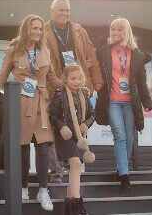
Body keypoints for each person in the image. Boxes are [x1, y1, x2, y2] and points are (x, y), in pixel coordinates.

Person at [0, 14, 64, 212]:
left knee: (43, 145)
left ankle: (44, 190)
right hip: (21, 103)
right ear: (26, 29)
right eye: (34, 28)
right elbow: (0, 80)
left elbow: (53, 79)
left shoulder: (45, 51)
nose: (38, 32)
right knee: (23, 146)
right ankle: (23, 187)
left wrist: (71, 84)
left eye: (40, 29)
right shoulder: (14, 50)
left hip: (41, 102)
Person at [43, 0, 103, 184]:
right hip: (56, 87)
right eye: (61, 10)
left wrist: (97, 82)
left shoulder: (78, 31)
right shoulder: (44, 32)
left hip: (78, 86)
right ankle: (56, 171)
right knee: (56, 128)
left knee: (79, 124)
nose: (65, 14)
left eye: (67, 10)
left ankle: (74, 167)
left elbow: (90, 56)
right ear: (52, 12)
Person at [95, 18, 152, 189]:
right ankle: (125, 175)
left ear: (126, 32)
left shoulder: (136, 54)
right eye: (113, 30)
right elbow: (94, 66)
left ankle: (121, 168)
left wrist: (146, 101)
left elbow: (142, 81)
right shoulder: (104, 51)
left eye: (119, 30)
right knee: (119, 136)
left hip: (130, 102)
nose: (115, 33)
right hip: (112, 101)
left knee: (129, 139)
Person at [49, 64, 95, 215]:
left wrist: (86, 124)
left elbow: (92, 115)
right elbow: (53, 115)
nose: (76, 81)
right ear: (65, 79)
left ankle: (70, 209)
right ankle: (76, 207)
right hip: (65, 136)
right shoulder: (59, 94)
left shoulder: (84, 94)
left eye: (79, 78)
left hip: (79, 137)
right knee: (75, 164)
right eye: (73, 78)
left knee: (75, 170)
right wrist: (62, 126)